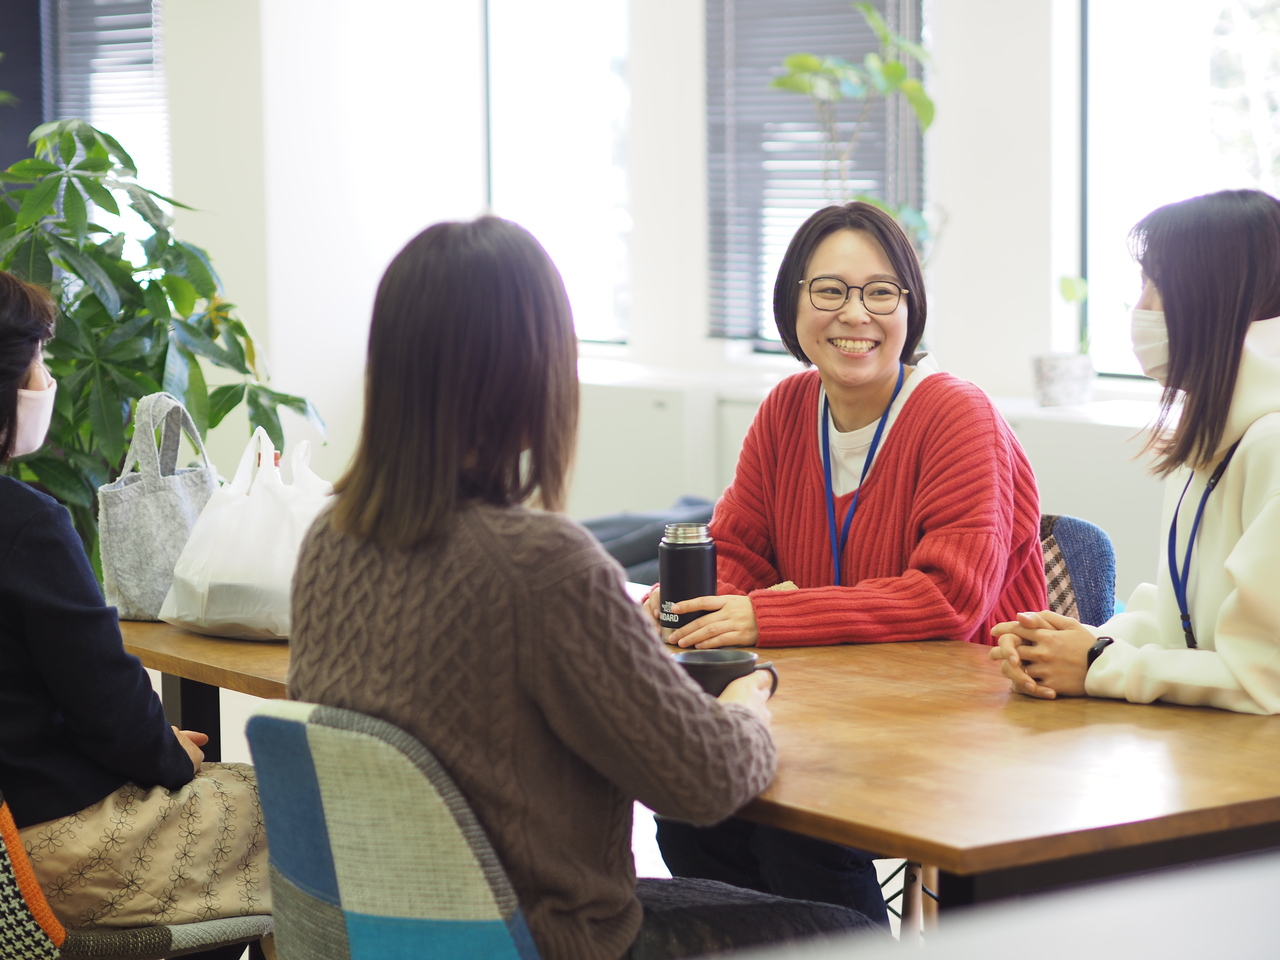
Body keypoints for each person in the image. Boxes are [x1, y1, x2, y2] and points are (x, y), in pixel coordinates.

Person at [287, 217, 881, 960]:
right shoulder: (541, 567)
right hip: (550, 939)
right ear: (527, 371)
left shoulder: (328, 543)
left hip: (390, 934)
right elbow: (702, 781)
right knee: (854, 935)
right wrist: (747, 704)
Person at [642, 202, 1046, 924]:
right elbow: (734, 549)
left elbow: (947, 601)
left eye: (880, 292)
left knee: (802, 830)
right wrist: (696, 608)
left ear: (908, 308)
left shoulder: (957, 414)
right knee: (693, 805)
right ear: (793, 302)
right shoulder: (788, 407)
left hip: (955, 715)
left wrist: (761, 611)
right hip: (827, 707)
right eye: (828, 290)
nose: (855, 314)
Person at [0, 271, 269, 929]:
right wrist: (169, 751)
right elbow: (110, 708)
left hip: (14, 840)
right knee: (290, 808)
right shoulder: (26, 526)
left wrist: (150, 745)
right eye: (38, 366)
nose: (45, 386)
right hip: (56, 853)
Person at [991, 188, 1280, 716]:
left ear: (1213, 298)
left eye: (1156, 286)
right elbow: (1183, 623)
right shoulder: (1215, 435)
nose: (1141, 310)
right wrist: (1068, 643)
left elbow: (1263, 677)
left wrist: (1100, 662)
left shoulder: (1272, 444)